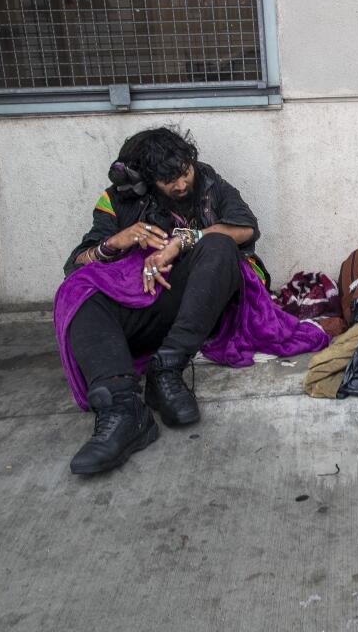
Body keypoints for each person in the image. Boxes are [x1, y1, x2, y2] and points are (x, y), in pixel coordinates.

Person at [62, 127, 259, 474]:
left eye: (185, 172)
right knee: (76, 290)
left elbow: (245, 229)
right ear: (148, 179)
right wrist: (117, 242)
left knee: (219, 246)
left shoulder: (210, 183)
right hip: (138, 303)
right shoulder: (116, 201)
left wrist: (183, 240)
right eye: (168, 180)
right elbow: (74, 264)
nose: (181, 185)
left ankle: (166, 370)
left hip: (193, 304)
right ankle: (122, 410)